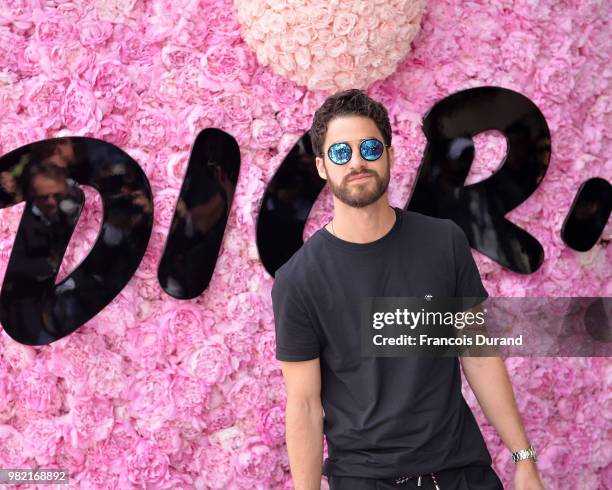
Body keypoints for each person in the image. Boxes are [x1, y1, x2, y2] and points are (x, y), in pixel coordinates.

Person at [270, 89, 545, 490]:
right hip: (368, 480)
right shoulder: (299, 280)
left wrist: (523, 458)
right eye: (341, 153)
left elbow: (479, 356)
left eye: (369, 147)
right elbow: (305, 404)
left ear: (390, 155)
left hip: (462, 473)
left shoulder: (444, 242)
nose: (358, 162)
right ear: (321, 167)